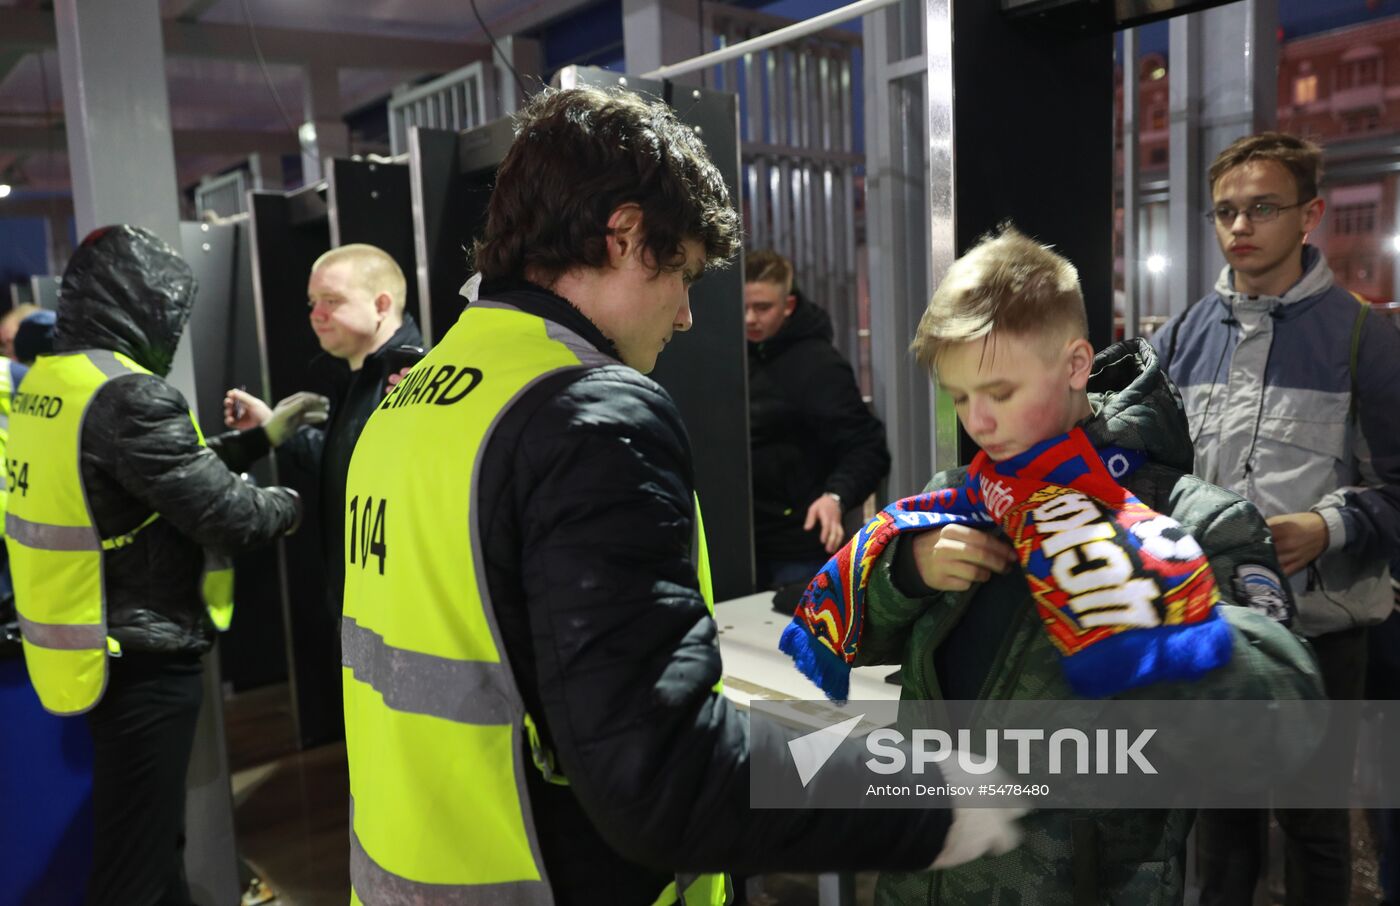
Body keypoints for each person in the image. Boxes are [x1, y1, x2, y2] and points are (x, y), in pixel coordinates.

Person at [338, 86, 1020, 905]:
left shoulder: (413, 401)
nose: (691, 315)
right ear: (624, 234)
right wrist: (929, 800)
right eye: (685, 274)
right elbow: (663, 771)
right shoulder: (580, 412)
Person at [793, 224, 1321, 904]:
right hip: (923, 874)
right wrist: (905, 573)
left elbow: (1290, 729)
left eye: (1000, 391)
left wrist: (1159, 626)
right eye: (959, 396)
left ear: (1075, 364)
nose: (977, 421)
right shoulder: (960, 496)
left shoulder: (1190, 522)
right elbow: (855, 637)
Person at [6, 225, 303, 906]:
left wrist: (261, 439)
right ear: (141, 304)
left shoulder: (53, 383)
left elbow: (163, 476)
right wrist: (296, 500)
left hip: (90, 637)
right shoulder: (127, 396)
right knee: (133, 867)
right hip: (142, 654)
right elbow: (225, 513)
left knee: (147, 840)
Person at [1153, 132, 1400, 905]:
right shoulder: (1183, 337)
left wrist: (1323, 527)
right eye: (1225, 211)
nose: (1239, 226)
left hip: (1323, 630)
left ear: (1311, 215)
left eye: (1262, 207)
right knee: (1221, 827)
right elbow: (1152, 469)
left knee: (1315, 826)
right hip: (1213, 626)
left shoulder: (1364, 337)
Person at [223, 243, 423, 618]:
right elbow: (349, 466)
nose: (316, 314)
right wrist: (270, 427)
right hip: (362, 601)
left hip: (396, 606)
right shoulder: (361, 377)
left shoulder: (409, 381)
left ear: (381, 305)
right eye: (313, 301)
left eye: (331, 300)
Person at [744, 249, 890, 587]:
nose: (750, 318)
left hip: (798, 548)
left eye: (762, 307)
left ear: (788, 306)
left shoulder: (820, 366)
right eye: (743, 307)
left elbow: (866, 446)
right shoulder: (729, 356)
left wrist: (835, 497)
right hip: (739, 542)